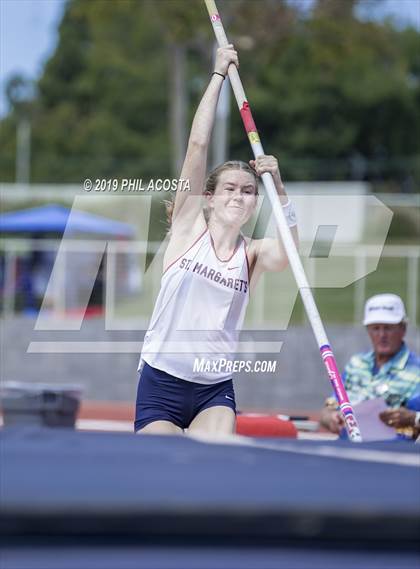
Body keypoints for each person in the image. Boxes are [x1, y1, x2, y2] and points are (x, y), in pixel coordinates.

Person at [135, 45, 298, 435]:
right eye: (229, 188)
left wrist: (278, 187)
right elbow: (197, 146)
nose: (239, 196)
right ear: (208, 198)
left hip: (214, 388)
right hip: (162, 382)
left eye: (247, 190)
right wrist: (217, 76)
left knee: (216, 460)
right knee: (161, 465)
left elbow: (290, 252)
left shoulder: (253, 253)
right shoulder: (189, 229)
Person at [320, 294, 420, 438]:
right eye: (375, 328)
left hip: (390, 453)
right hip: (344, 450)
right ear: (368, 330)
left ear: (403, 329)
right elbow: (328, 410)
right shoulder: (356, 364)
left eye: (388, 328)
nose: (382, 335)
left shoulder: (417, 372)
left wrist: (413, 418)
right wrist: (330, 417)